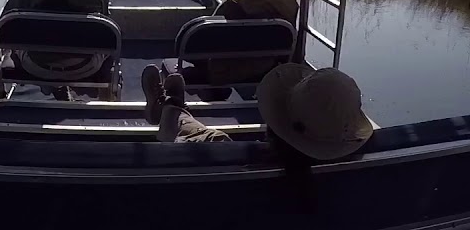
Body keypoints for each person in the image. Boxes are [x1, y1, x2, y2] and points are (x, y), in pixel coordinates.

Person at [141, 62, 374, 157]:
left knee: (203, 136)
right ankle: (172, 108)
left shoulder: (226, 157)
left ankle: (169, 108)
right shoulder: (367, 180)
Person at [176, 0, 299, 100]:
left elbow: (200, 43)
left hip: (229, 71)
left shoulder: (232, 5)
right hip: (271, 67)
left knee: (186, 71)